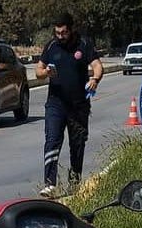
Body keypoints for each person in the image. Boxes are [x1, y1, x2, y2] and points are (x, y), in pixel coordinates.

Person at [36, 12, 104, 198]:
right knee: (52, 140)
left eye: (64, 32)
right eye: (57, 32)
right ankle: (50, 184)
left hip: (78, 106)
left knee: (77, 145)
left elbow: (98, 65)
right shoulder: (51, 46)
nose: (60, 36)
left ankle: (74, 183)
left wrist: (95, 79)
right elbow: (38, 71)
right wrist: (45, 73)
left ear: (71, 30)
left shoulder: (83, 44)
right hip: (55, 104)